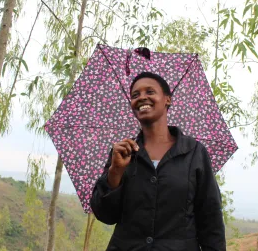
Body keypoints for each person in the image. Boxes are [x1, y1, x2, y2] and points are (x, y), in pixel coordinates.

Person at [91, 72, 226, 251]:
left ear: (167, 100)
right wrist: (115, 172)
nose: (142, 98)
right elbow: (105, 215)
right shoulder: (123, 153)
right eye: (135, 95)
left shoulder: (194, 152)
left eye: (150, 92)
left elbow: (211, 219)